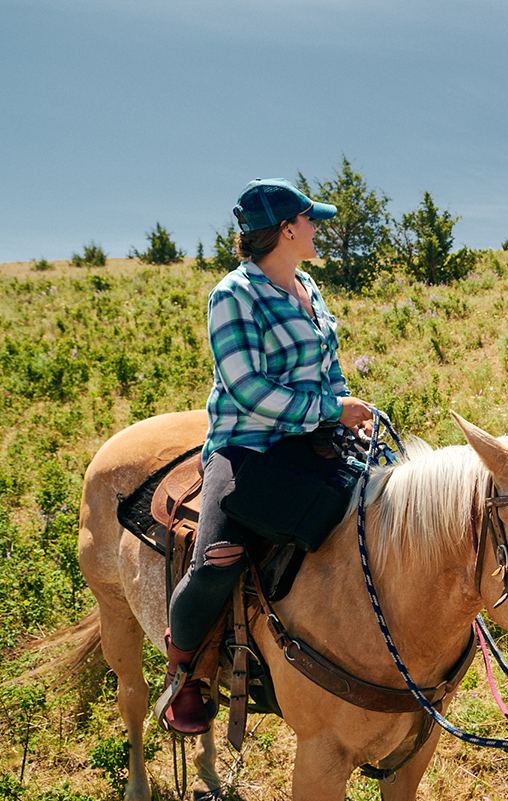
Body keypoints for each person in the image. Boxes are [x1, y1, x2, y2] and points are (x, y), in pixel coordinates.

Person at [160, 179, 375, 734]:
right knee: (217, 560)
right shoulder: (232, 295)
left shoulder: (308, 287)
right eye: (308, 220)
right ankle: (186, 670)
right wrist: (328, 409)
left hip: (310, 437)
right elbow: (245, 389)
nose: (315, 228)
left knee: (386, 512)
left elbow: (330, 368)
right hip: (246, 446)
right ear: (285, 230)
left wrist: (343, 407)